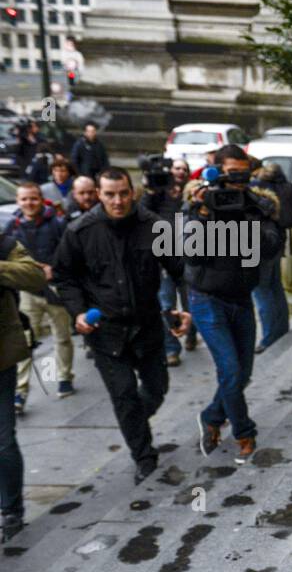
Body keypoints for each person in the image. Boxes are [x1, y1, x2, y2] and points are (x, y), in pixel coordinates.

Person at [51, 168, 191, 484]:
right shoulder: (80, 231)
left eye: (123, 193)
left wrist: (186, 309)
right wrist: (78, 312)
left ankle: (133, 423)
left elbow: (180, 269)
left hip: (148, 326)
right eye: (110, 194)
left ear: (133, 192)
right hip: (106, 332)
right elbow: (63, 276)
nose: (118, 201)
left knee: (157, 389)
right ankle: (144, 456)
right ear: (99, 194)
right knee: (124, 394)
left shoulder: (154, 226)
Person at [183, 144, 282, 464]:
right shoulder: (199, 203)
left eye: (243, 173)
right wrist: (202, 215)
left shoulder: (257, 203)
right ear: (218, 171)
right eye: (231, 174)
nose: (237, 181)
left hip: (241, 298)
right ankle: (244, 432)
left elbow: (270, 248)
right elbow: (191, 253)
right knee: (230, 369)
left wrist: (245, 218)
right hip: (206, 299)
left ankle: (212, 417)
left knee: (241, 375)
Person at [9, 183, 71, 412]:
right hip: (27, 292)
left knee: (62, 336)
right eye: (24, 199)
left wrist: (54, 269)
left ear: (41, 199)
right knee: (24, 342)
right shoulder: (12, 227)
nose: (29, 203)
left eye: (33, 198)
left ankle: (64, 376)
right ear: (18, 201)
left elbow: (69, 252)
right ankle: (21, 390)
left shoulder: (57, 223)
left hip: (55, 290)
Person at [0, 235, 46, 541]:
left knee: (3, 440)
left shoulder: (3, 243)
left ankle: (11, 510)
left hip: (1, 359)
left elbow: (34, 275)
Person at [145, 158, 195, 366]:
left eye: (184, 169)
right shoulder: (157, 193)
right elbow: (142, 213)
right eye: (177, 168)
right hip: (163, 258)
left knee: (190, 302)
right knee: (166, 304)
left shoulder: (191, 193)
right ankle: (172, 348)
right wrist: (150, 191)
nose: (180, 172)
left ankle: (191, 332)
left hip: (188, 258)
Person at [249, 160, 292, 353]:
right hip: (277, 244)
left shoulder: (255, 192)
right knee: (275, 287)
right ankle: (282, 329)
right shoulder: (286, 188)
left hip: (260, 248)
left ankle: (269, 336)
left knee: (262, 292)